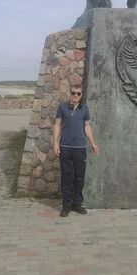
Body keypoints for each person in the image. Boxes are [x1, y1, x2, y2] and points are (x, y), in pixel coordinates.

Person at [53, 85, 99, 217]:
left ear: (81, 95)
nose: (76, 95)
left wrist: (92, 143)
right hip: (65, 147)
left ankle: (77, 204)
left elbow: (87, 126)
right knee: (66, 177)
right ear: (70, 93)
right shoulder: (62, 107)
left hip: (80, 148)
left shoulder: (84, 108)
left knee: (79, 177)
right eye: (73, 93)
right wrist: (55, 143)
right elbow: (57, 125)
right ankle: (66, 206)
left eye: (78, 93)